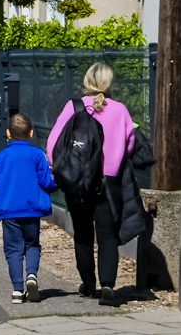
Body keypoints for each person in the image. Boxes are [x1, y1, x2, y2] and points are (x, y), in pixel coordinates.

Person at [46, 63, 136, 307]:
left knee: (83, 236)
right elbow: (129, 146)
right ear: (109, 84)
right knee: (108, 235)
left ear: (87, 82)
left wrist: (63, 171)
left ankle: (89, 285)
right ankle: (108, 285)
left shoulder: (72, 107)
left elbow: (53, 145)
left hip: (79, 181)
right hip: (109, 182)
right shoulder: (120, 110)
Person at [0, 113, 56, 303]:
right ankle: (32, 276)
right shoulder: (37, 154)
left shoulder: (1, 156)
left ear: (8, 133)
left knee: (13, 249)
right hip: (32, 210)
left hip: (9, 210)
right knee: (32, 244)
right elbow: (46, 182)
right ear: (31, 133)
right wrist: (56, 183)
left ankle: (17, 290)